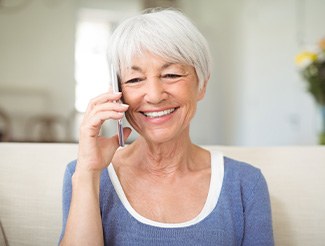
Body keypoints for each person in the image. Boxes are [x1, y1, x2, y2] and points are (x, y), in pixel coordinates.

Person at [59, 8, 274, 245]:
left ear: (201, 84)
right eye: (134, 79)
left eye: (171, 75)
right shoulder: (84, 174)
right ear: (118, 94)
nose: (154, 95)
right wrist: (88, 173)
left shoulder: (246, 183)